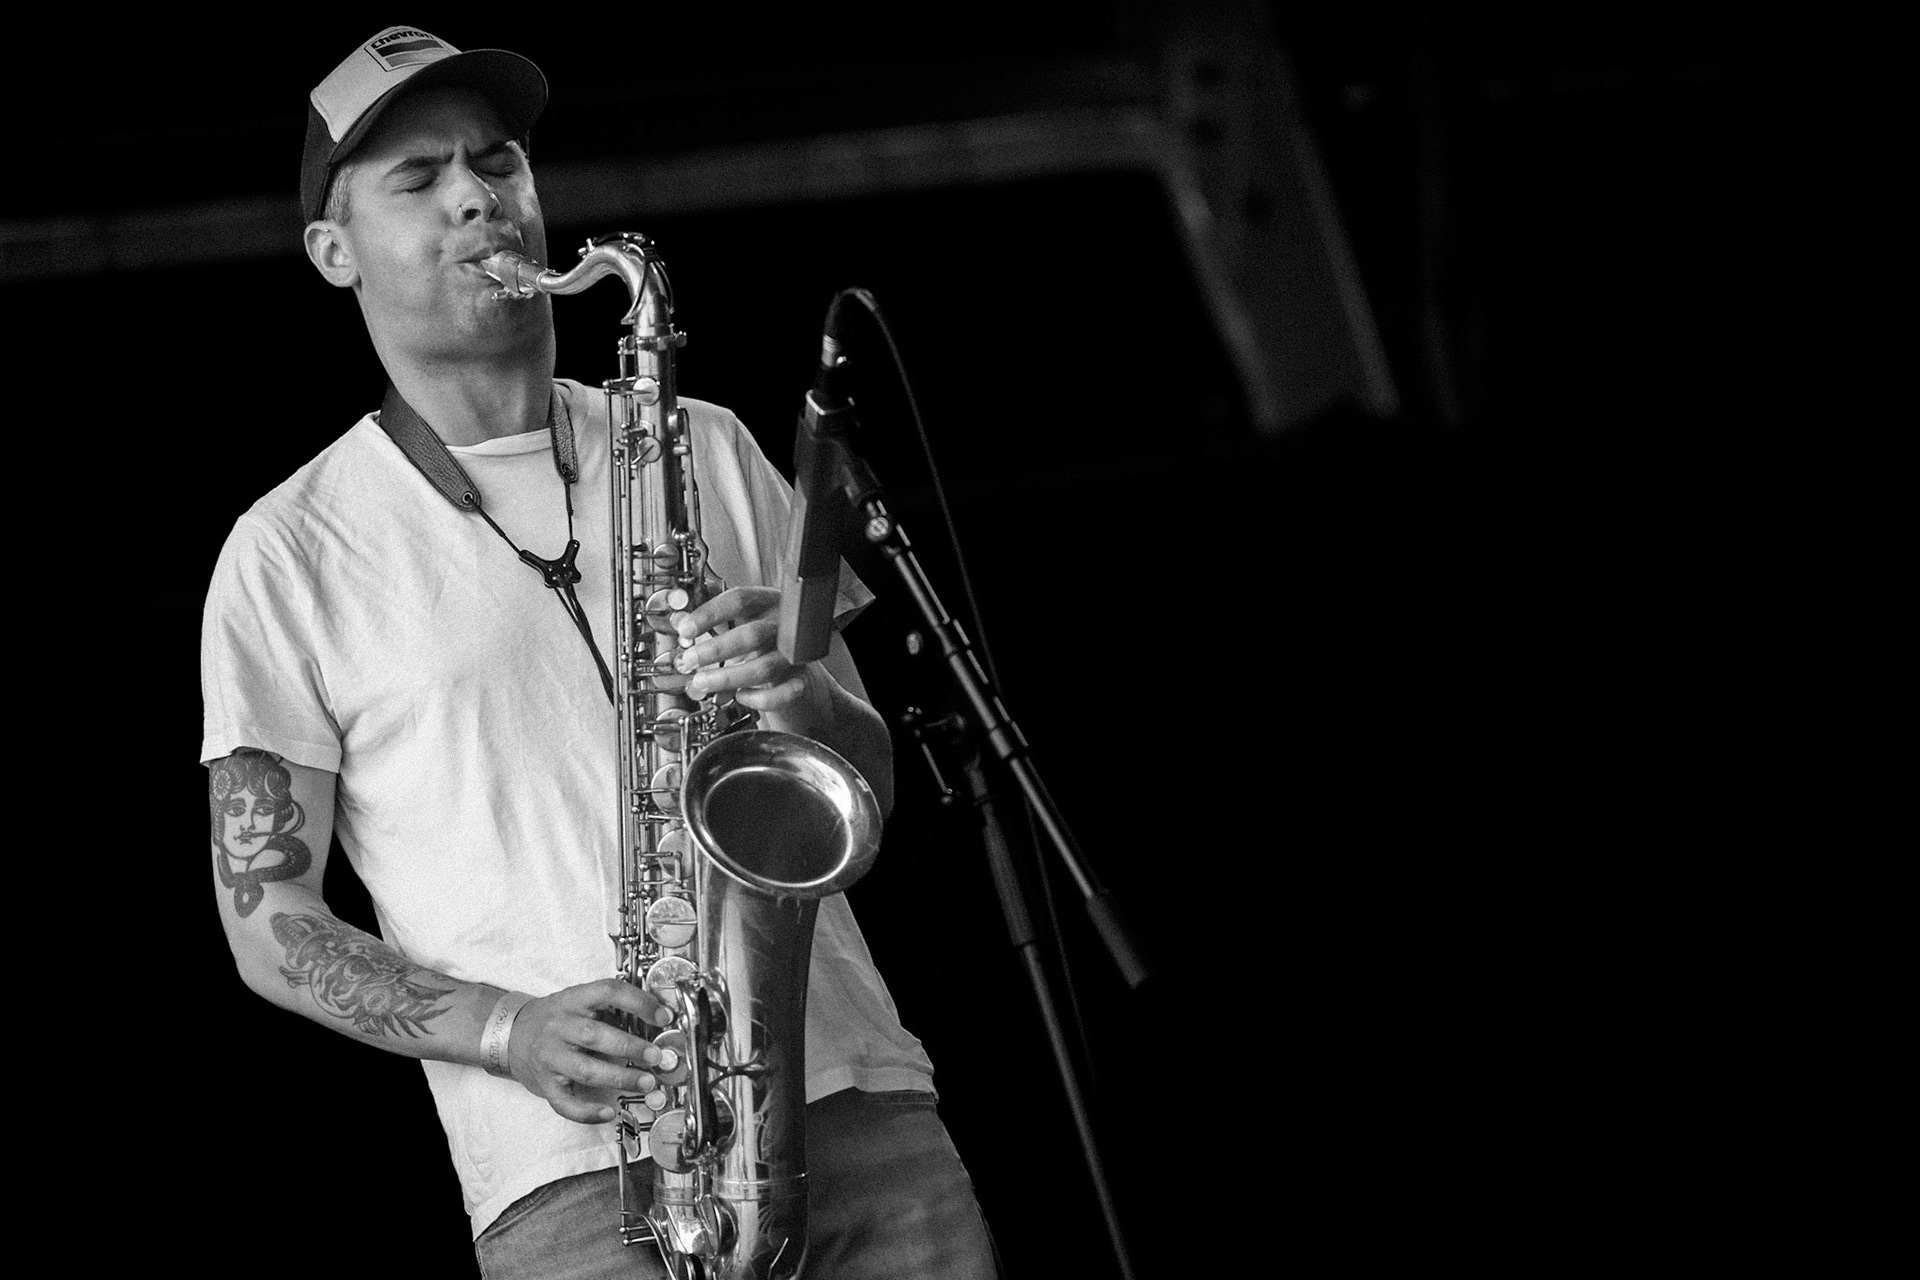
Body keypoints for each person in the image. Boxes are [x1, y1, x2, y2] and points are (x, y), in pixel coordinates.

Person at [202, 25, 1000, 1279]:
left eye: (500, 162)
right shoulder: (287, 553)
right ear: (332, 251)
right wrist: (510, 1029)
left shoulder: (715, 443)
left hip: (857, 1103)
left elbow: (867, 792)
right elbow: (269, 920)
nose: (479, 196)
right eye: (419, 180)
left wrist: (808, 703)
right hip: (570, 1178)